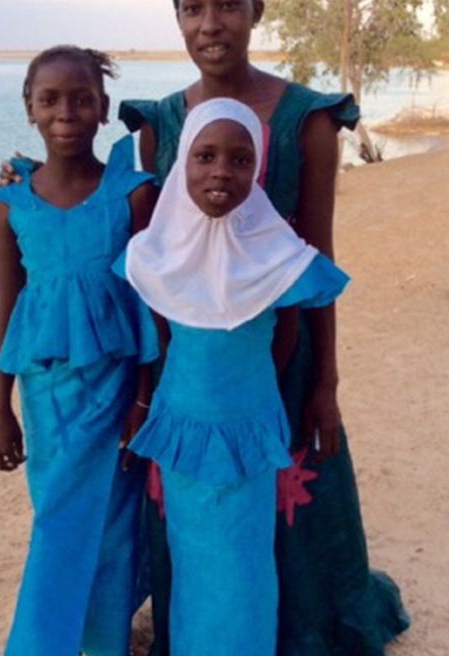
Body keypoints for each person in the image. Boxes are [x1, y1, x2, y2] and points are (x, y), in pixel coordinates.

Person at [117, 0, 410, 656]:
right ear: (177, 15)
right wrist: (22, 175)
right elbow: (150, 251)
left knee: (290, 520)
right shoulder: (161, 124)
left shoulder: (306, 120)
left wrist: (326, 385)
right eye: (192, 8)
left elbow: (318, 258)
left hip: (283, 358)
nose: (210, 24)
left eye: (228, 4)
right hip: (191, 379)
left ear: (258, 7)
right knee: (205, 529)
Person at [115, 97, 351, 656]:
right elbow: (160, 336)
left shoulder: (277, 254)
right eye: (205, 156)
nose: (222, 171)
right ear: (182, 162)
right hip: (183, 428)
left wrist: (254, 392)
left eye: (241, 159)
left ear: (257, 168)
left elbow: (286, 334)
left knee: (245, 568)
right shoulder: (156, 254)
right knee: (192, 561)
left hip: (250, 429)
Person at [0, 45, 159, 656]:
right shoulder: (10, 207)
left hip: (116, 395)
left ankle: (101, 643)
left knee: (113, 529)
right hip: (45, 399)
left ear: (104, 108)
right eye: (49, 99)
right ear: (28, 108)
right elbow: (8, 307)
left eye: (82, 99)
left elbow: (147, 304)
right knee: (56, 521)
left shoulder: (132, 196)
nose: (65, 112)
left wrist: (142, 400)